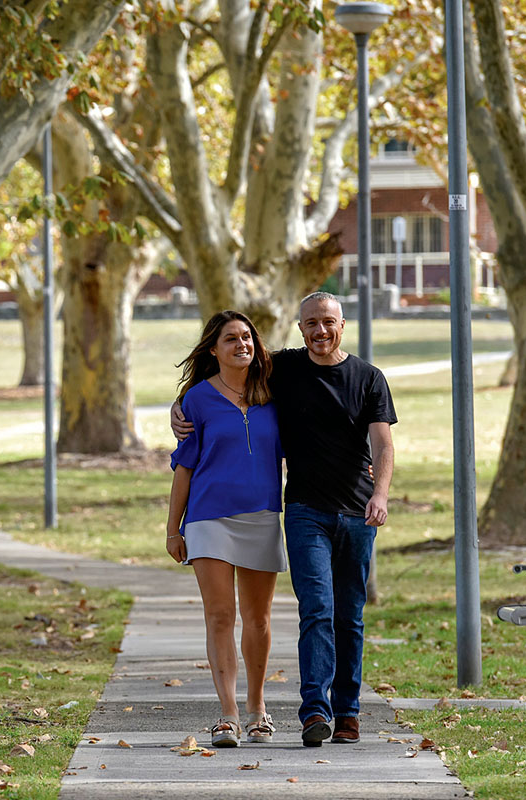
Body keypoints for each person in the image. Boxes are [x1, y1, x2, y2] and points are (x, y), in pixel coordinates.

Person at [172, 292, 396, 748]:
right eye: (311, 322)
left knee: (316, 617)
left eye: (328, 322)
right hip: (265, 514)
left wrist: (379, 489)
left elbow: (377, 443)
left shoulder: (331, 382)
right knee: (284, 611)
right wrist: (179, 410)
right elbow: (193, 443)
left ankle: (307, 711)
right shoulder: (261, 378)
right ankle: (278, 712)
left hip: (313, 513)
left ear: (342, 324)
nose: (320, 331)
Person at [167, 310, 287, 749]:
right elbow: (184, 467)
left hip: (261, 516)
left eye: (248, 337)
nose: (242, 344)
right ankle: (228, 715)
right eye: (231, 339)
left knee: (258, 618)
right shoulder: (197, 400)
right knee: (220, 615)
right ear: (213, 349)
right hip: (207, 517)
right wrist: (172, 529)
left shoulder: (274, 392)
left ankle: (257, 710)